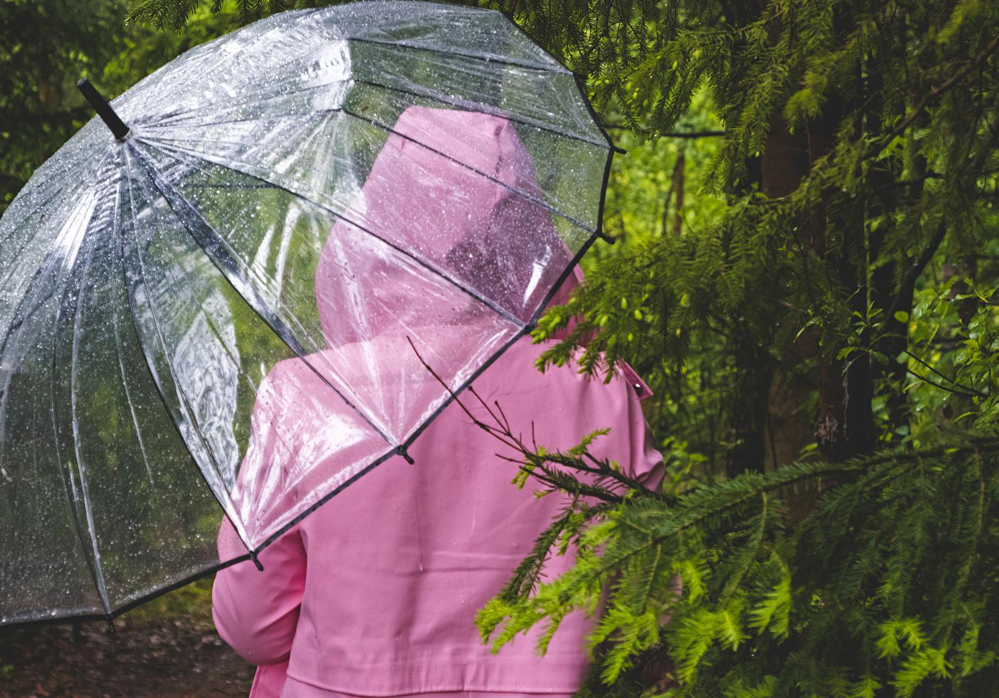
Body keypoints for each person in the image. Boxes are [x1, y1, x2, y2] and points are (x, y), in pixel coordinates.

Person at [211, 106, 663, 698]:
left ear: (383, 221)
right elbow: (643, 597)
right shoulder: (598, 387)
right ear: (529, 227)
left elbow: (254, 626)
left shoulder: (307, 397)